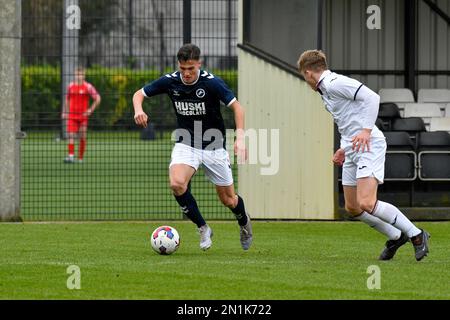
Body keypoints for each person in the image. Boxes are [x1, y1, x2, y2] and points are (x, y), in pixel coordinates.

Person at [297, 50, 430, 261]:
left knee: (367, 202)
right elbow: (348, 120)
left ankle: (416, 234)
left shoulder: (334, 83)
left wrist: (367, 130)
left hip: (370, 145)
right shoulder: (325, 91)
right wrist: (343, 149)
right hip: (352, 148)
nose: (306, 82)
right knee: (353, 207)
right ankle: (395, 236)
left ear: (308, 73)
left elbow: (372, 97)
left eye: (304, 78)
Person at [132, 44, 252, 251]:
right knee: (177, 184)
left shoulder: (212, 83)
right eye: (183, 69)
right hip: (186, 142)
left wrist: (240, 138)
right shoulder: (171, 81)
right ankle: (203, 227)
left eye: (191, 69)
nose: (186, 74)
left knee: (229, 200)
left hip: (214, 145)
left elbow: (237, 107)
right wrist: (138, 110)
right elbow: (138, 94)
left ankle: (244, 224)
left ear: (199, 64)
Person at [62, 67, 101, 163]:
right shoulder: (70, 86)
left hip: (83, 117)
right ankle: (71, 156)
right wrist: (64, 112)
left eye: (80, 74)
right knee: (71, 135)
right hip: (72, 116)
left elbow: (98, 98)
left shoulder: (88, 87)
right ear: (75, 75)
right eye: (77, 74)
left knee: (82, 136)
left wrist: (90, 110)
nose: (78, 76)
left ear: (84, 75)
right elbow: (66, 99)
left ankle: (80, 158)